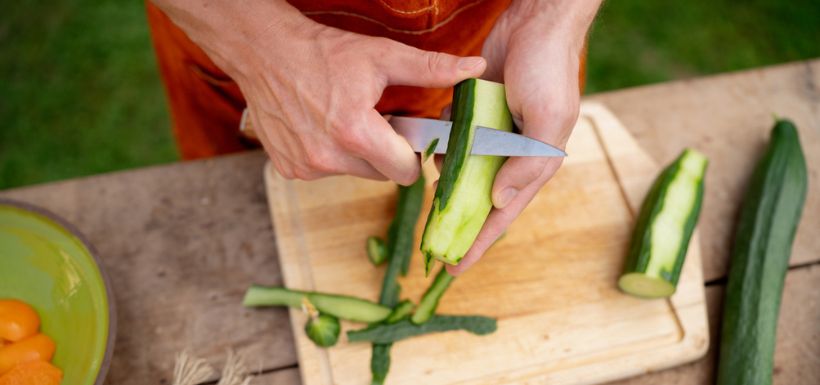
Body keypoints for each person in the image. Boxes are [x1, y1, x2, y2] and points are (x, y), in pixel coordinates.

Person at [147, 0, 602, 274]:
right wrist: (259, 47)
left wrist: (552, 15)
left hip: (496, 40)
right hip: (248, 34)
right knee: (236, 228)